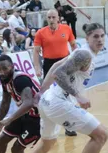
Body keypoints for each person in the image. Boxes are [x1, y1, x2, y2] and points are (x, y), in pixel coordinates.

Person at [13, 23, 108, 153]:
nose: (100, 39)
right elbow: (60, 73)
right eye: (95, 36)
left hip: (49, 100)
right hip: (58, 102)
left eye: (102, 36)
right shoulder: (83, 54)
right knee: (101, 135)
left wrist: (42, 91)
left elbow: (57, 64)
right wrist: (78, 96)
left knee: (46, 144)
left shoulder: (81, 52)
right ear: (87, 38)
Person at [33, 9, 78, 137]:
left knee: (67, 95)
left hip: (64, 63)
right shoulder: (41, 33)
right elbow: (36, 52)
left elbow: (74, 46)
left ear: (58, 18)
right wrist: (37, 67)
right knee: (47, 95)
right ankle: (45, 125)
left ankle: (69, 126)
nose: (51, 19)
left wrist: (78, 61)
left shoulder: (66, 29)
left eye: (53, 17)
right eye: (49, 17)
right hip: (49, 65)